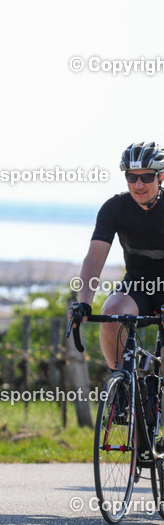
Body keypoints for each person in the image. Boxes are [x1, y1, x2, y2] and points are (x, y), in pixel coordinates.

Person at [70, 142, 164, 372]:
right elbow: (94, 259)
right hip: (137, 286)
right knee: (111, 314)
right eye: (132, 177)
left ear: (161, 177)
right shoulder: (115, 208)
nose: (139, 185)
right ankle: (121, 388)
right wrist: (84, 302)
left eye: (147, 177)